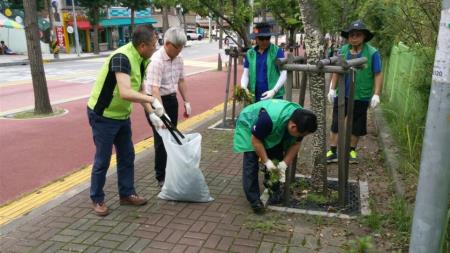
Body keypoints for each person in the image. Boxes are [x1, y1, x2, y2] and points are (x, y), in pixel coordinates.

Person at [86, 25, 163, 216]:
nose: (156, 48)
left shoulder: (142, 59)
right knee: (103, 159)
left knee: (127, 155)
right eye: (154, 44)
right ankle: (97, 199)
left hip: (121, 116)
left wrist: (150, 112)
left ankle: (127, 194)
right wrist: (152, 100)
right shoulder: (122, 58)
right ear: (143, 45)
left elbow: (139, 89)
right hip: (103, 116)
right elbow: (125, 92)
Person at [233, 99, 317, 214]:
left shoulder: (301, 120)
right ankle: (254, 200)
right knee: (251, 162)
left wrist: (283, 165)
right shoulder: (267, 120)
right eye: (302, 135)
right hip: (249, 123)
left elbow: (296, 144)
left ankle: (273, 188)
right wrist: (267, 162)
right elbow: (256, 141)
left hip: (273, 125)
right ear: (293, 127)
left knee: (276, 156)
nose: (302, 137)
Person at [326, 20, 383, 164]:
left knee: (356, 125)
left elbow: (377, 73)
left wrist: (376, 93)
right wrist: (331, 89)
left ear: (364, 36)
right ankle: (333, 151)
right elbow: (336, 71)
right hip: (342, 93)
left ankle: (351, 150)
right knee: (336, 122)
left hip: (361, 95)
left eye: (358, 35)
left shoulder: (373, 53)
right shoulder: (343, 51)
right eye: (351, 35)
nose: (354, 38)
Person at [143, 27, 191, 188]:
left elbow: (182, 80)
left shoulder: (179, 58)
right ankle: (161, 176)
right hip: (155, 103)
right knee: (162, 139)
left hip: (171, 100)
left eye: (182, 47)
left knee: (172, 137)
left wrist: (186, 101)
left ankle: (171, 171)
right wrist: (161, 114)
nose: (180, 50)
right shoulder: (156, 61)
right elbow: (154, 89)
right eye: (177, 47)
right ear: (168, 44)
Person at [240, 22, 287, 103]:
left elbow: (284, 73)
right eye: (262, 38)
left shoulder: (277, 51)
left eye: (267, 38)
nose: (265, 41)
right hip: (255, 96)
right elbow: (246, 74)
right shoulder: (250, 53)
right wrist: (243, 87)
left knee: (273, 115)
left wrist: (274, 91)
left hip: (274, 96)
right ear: (256, 38)